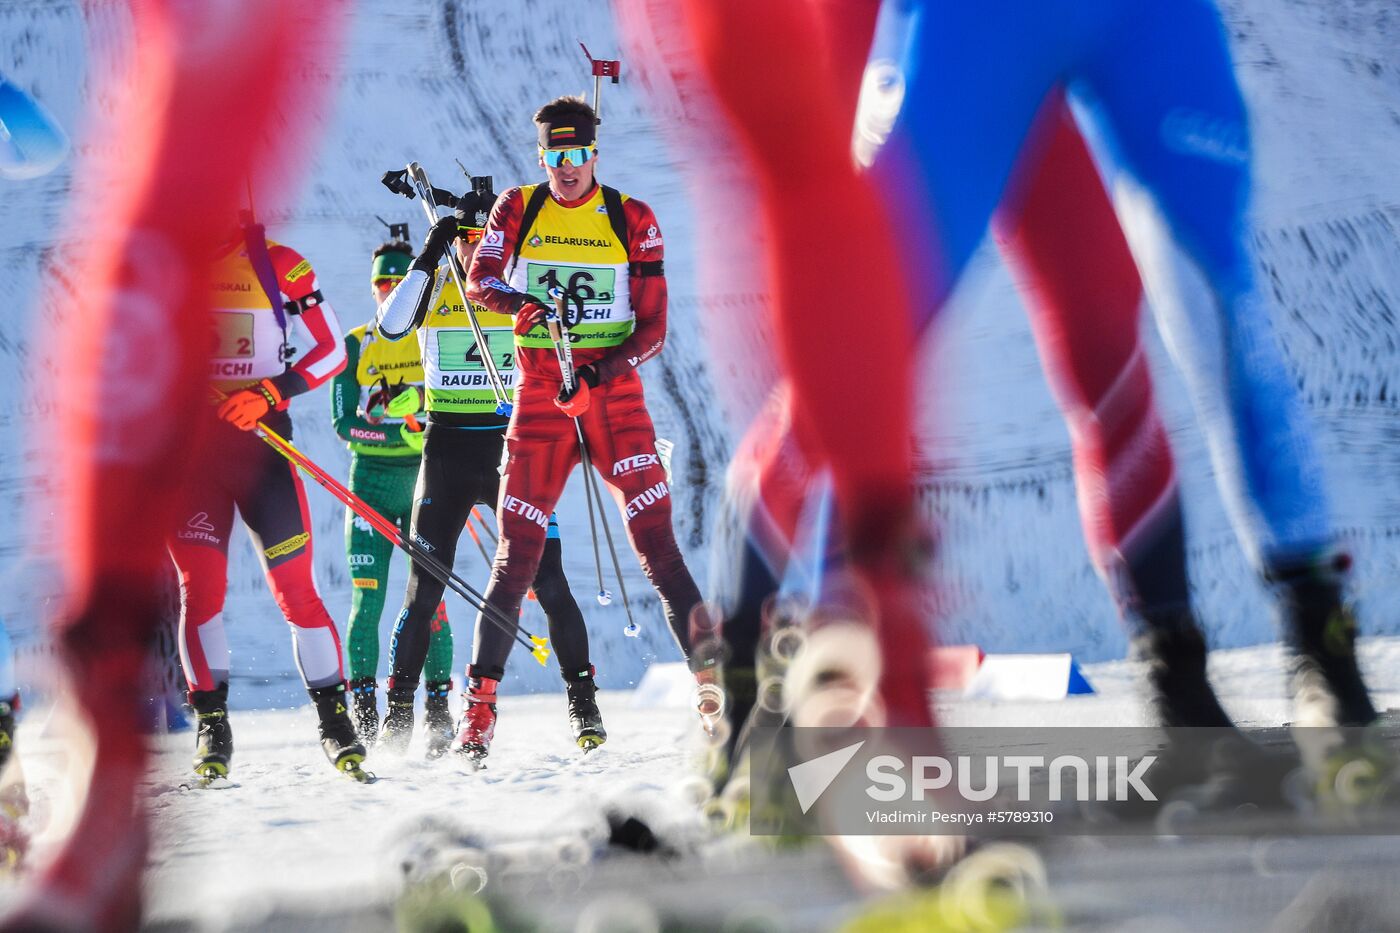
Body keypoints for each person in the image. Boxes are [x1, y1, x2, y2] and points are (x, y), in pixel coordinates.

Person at [456, 95, 704, 763]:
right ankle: (478, 710)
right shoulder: (519, 207)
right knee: (517, 556)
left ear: (595, 153)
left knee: (658, 547)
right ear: (542, 157)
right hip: (540, 396)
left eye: (578, 154)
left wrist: (600, 374)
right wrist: (523, 304)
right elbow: (480, 280)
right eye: (555, 155)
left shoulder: (631, 218)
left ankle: (717, 696)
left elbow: (652, 329)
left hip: (612, 395)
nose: (567, 167)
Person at [375, 188, 604, 756]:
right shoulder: (440, 280)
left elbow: (570, 334)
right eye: (468, 236)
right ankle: (399, 716)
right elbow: (391, 328)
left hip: (514, 446)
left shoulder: (518, 274)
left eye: (487, 236)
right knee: (423, 588)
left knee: (548, 582)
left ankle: (584, 706)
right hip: (448, 445)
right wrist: (429, 254)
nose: (479, 245)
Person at [170, 214, 364, 781]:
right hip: (191, 462)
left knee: (296, 591)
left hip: (264, 450)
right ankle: (212, 724)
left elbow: (332, 352)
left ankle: (334, 721)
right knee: (200, 590)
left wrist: (270, 392)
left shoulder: (279, 263)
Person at [331, 238, 457, 748]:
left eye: (398, 280)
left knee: (432, 603)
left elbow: (453, 402)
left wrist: (422, 430)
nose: (388, 290)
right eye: (381, 281)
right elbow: (343, 423)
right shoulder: (357, 343)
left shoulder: (434, 336)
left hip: (425, 483)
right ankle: (363, 713)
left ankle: (438, 709)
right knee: (368, 602)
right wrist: (392, 434)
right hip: (370, 488)